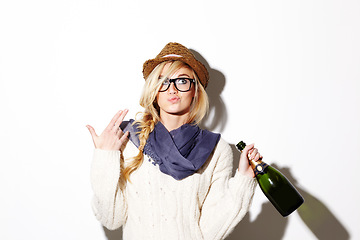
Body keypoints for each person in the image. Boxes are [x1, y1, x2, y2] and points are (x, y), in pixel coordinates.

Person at [86, 42, 262, 239]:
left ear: (195, 90)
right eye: (163, 80)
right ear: (154, 89)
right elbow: (111, 219)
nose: (172, 89)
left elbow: (209, 232)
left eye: (182, 81)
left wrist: (244, 181)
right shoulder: (127, 139)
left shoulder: (216, 150)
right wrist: (104, 157)